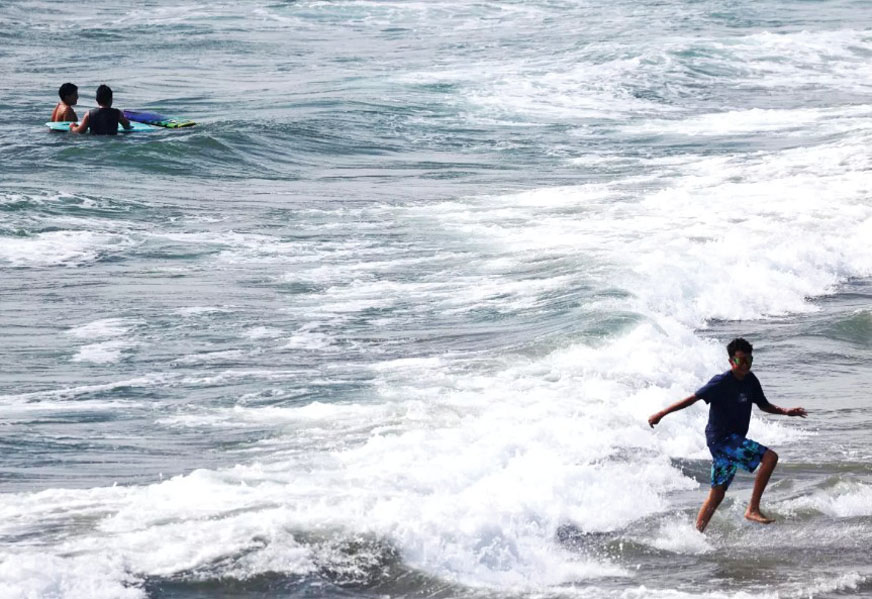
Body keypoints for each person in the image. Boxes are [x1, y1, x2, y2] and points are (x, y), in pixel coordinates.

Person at [648, 338, 807, 532]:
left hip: (727, 442)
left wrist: (785, 411)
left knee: (717, 494)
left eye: (749, 360)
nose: (746, 365)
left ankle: (696, 535)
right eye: (741, 361)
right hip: (722, 439)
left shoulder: (751, 380)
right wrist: (661, 414)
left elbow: (763, 405)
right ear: (732, 362)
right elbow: (692, 399)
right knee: (770, 458)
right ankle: (753, 508)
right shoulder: (721, 382)